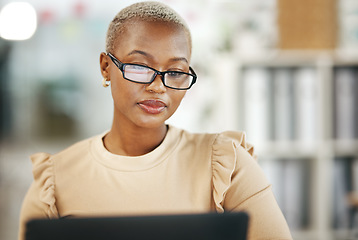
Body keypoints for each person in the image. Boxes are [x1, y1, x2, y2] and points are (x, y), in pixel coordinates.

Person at [18, 1, 292, 240]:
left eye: (175, 72)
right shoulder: (53, 182)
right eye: (139, 67)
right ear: (106, 67)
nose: (158, 87)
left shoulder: (225, 164)